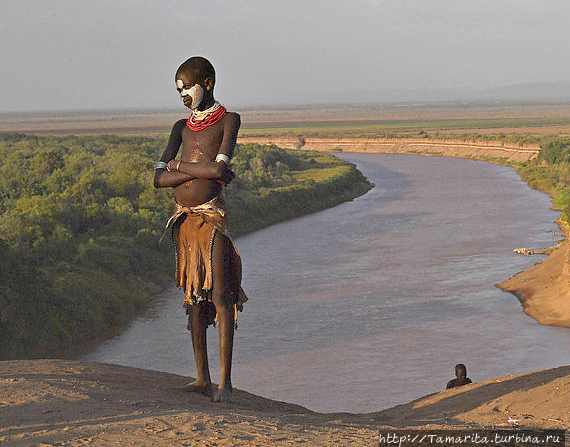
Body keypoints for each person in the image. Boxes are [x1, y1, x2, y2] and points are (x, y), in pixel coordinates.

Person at [154, 56, 247, 403]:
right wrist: (196, 168)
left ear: (207, 83)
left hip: (212, 219)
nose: (182, 96)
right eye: (177, 90)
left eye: (187, 88)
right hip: (185, 222)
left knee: (222, 297)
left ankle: (225, 382)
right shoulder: (181, 126)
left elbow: (220, 172)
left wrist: (180, 166)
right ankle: (201, 379)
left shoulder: (229, 121)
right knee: (193, 299)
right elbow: (158, 178)